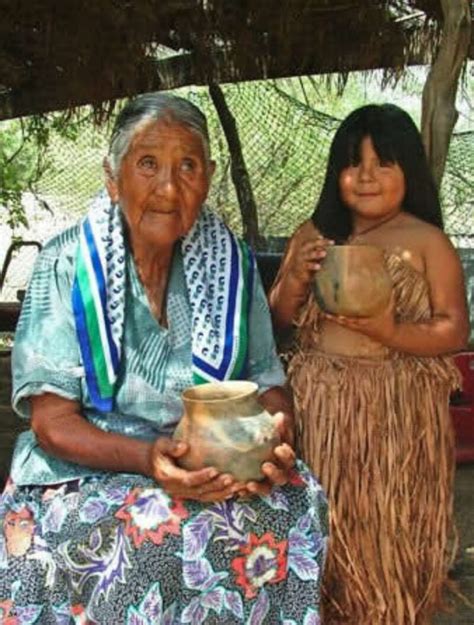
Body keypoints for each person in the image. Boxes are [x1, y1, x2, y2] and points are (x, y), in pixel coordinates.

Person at [0, 93, 328, 624]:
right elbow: (52, 424)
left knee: (293, 501)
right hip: (86, 467)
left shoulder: (232, 264)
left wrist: (271, 443)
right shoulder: (66, 264)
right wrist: (149, 459)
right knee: (156, 528)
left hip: (206, 462)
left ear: (209, 177)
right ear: (113, 177)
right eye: (148, 164)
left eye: (188, 166)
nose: (169, 188)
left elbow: (267, 385)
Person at [269, 104, 469, 625]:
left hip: (394, 416)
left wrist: (392, 333)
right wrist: (294, 275)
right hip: (322, 411)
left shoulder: (426, 242)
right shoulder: (314, 232)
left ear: (410, 173)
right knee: (326, 529)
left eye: (384, 164)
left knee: (384, 533)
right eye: (353, 164)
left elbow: (454, 328)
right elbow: (275, 321)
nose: (366, 177)